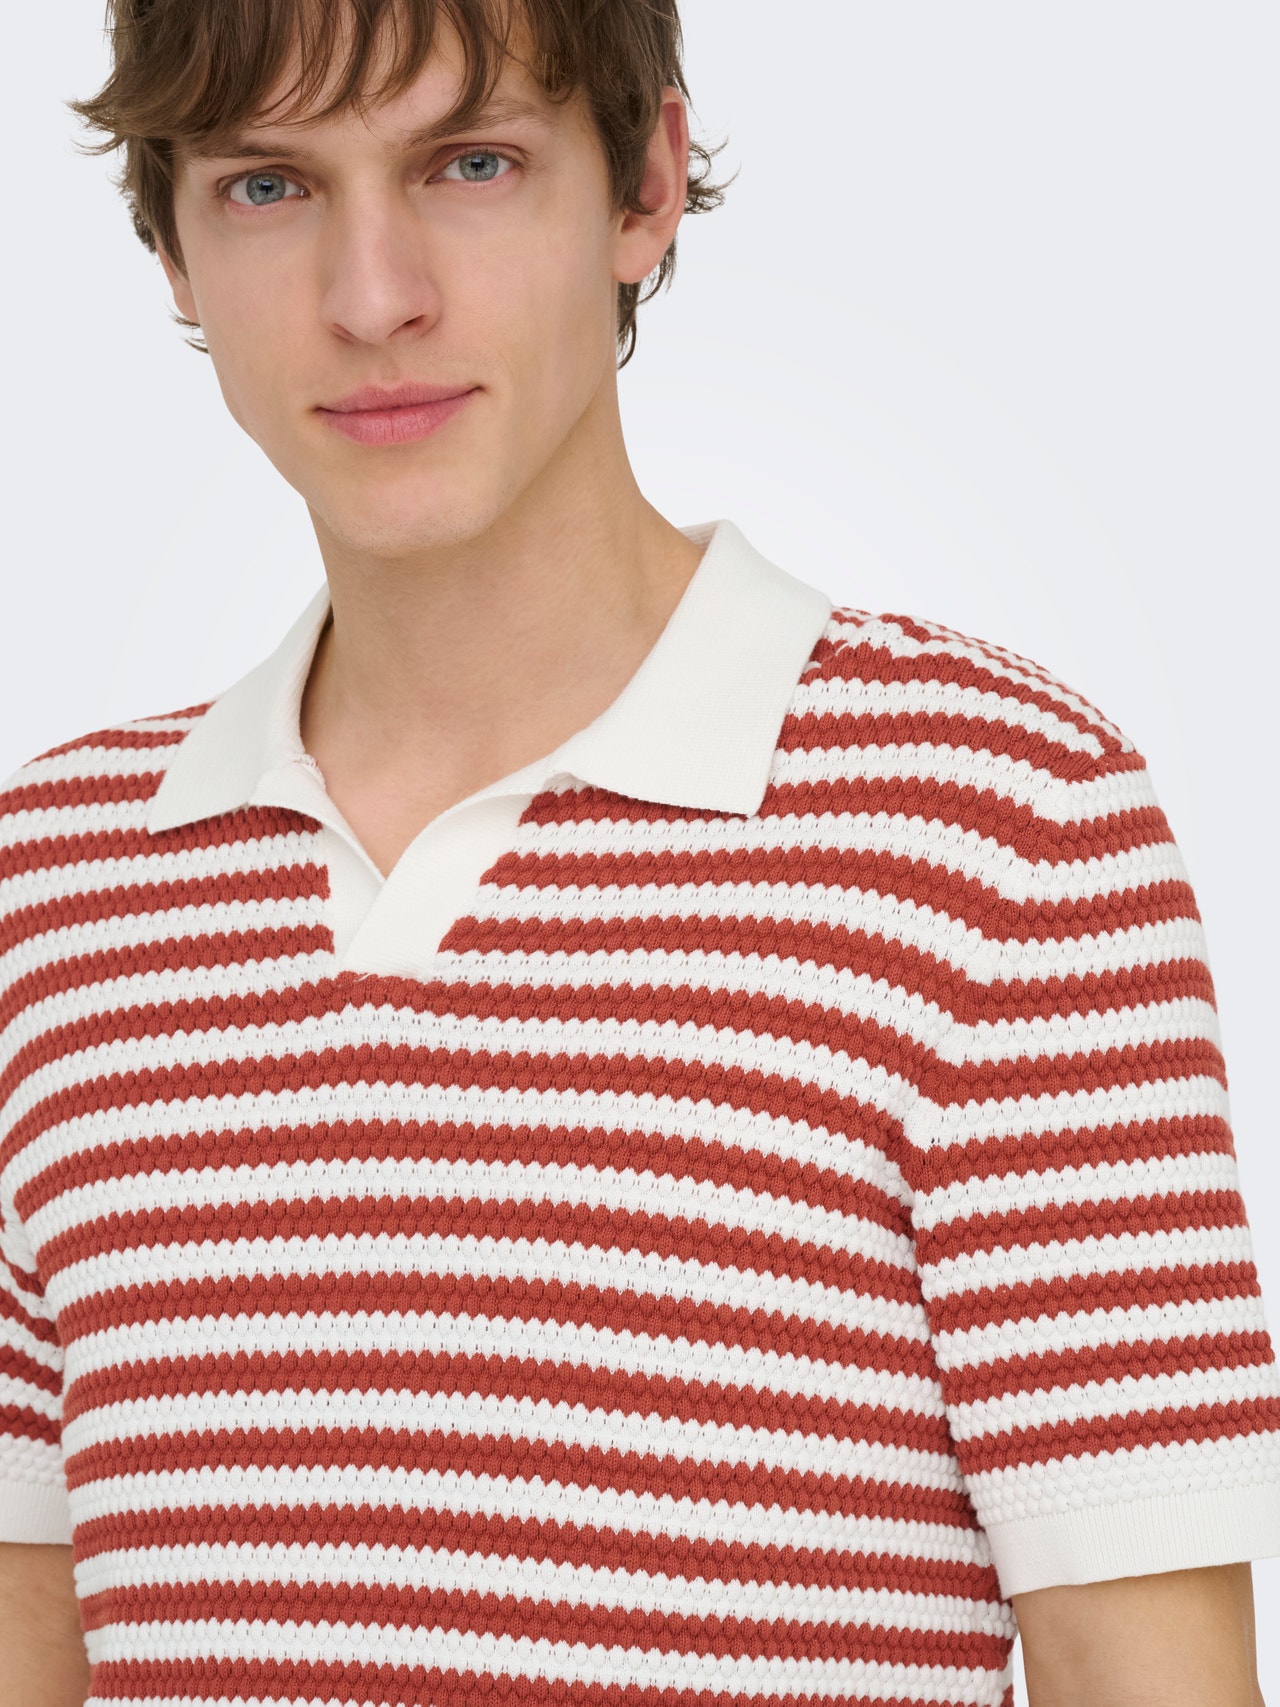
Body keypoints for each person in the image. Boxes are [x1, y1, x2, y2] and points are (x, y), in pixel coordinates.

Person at [1, 1, 1276, 1702]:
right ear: (170, 245)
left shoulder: (1000, 827)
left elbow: (1148, 1674)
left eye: (470, 165)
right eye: (267, 186)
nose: (372, 297)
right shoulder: (51, 891)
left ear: (646, 183)